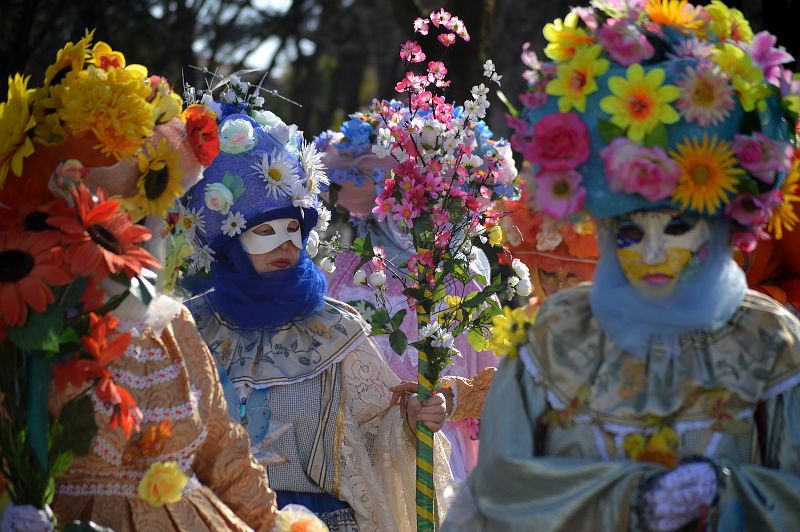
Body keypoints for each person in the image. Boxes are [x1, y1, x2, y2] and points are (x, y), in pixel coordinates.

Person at [446, 2, 800, 530]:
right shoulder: (557, 335)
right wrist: (629, 497)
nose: (653, 254)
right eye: (631, 232)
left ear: (721, 222)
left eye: (678, 227)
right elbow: (499, 489)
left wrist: (725, 492)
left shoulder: (769, 340)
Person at [0, 34, 278, 531]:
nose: (145, 235)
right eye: (111, 218)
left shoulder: (172, 325)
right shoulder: (25, 326)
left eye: (149, 214)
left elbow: (222, 447)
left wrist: (268, 523)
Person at [181, 85, 451, 531]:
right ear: (228, 241)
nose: (285, 242)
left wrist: (412, 420)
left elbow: (377, 432)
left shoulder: (336, 328)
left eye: (292, 227)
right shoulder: (191, 328)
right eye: (264, 231)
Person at [316, 102, 517, 479]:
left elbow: (492, 389)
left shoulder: (463, 275)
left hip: (438, 453)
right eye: (407, 198)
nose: (418, 215)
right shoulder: (347, 270)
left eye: (434, 199)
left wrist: (448, 403)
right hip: (358, 451)